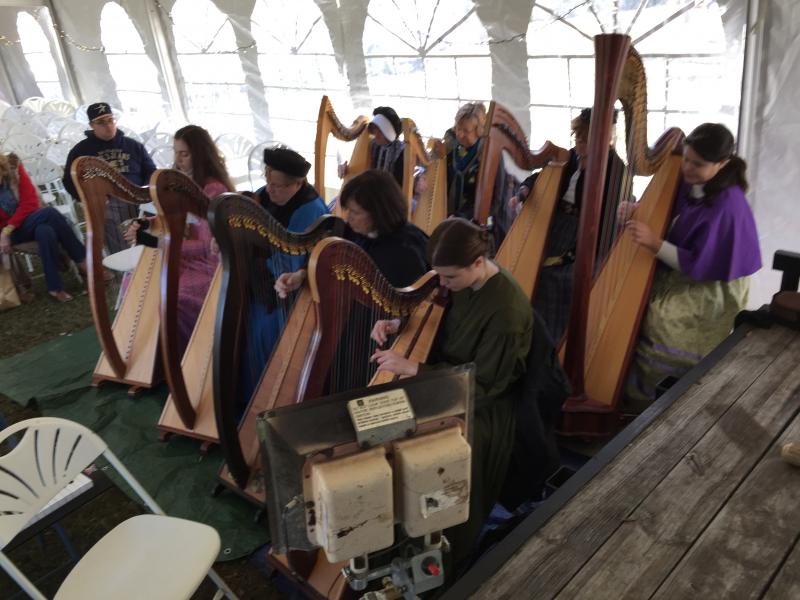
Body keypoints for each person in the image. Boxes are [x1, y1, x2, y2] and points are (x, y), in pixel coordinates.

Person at [370, 217, 533, 578]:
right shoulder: (465, 282)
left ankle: (443, 556)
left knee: (424, 454)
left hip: (480, 409)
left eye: (448, 277)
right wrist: (399, 325)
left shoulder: (505, 311)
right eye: (438, 275)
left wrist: (414, 369)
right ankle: (398, 527)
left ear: (479, 262)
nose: (441, 284)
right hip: (446, 383)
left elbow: (487, 385)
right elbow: (442, 316)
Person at [623, 123, 761, 412]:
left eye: (697, 164)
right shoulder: (690, 178)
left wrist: (654, 243)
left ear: (722, 164)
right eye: (686, 158)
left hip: (711, 284)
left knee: (658, 319)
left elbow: (700, 263)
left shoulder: (728, 206)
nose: (687, 168)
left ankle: (657, 404)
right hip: (684, 268)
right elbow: (678, 215)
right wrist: (638, 209)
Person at [124, 125, 234, 352]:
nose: (178, 159)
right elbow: (170, 218)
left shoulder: (213, 190)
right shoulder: (179, 183)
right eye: (175, 152)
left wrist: (160, 244)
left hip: (208, 265)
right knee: (131, 283)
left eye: (184, 154)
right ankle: (153, 355)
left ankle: (187, 355)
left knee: (175, 299)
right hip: (182, 258)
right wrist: (147, 224)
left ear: (201, 155)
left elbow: (207, 246)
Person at [523, 108, 629, 342]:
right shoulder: (570, 157)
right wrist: (525, 189)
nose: (579, 145)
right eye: (577, 138)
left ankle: (555, 338)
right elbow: (538, 176)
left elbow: (609, 222)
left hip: (587, 235)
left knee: (557, 278)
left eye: (584, 140)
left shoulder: (616, 168)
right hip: (556, 227)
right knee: (530, 263)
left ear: (603, 140)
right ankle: (533, 331)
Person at [239, 146, 329, 406]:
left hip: (293, 293)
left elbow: (302, 262)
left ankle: (263, 403)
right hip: (261, 286)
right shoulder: (263, 197)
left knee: (264, 335)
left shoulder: (310, 210)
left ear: (298, 184)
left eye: (278, 186)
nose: (270, 190)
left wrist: (268, 260)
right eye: (268, 182)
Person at [62, 102, 156, 255]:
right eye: (101, 122)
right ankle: (125, 258)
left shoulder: (134, 146)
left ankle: (150, 254)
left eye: (110, 120)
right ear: (92, 125)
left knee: (154, 209)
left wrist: (143, 192)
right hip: (107, 202)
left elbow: (151, 172)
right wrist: (87, 199)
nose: (108, 126)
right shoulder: (81, 151)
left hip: (138, 197)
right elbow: (68, 180)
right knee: (110, 213)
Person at [0, 153, 86, 302]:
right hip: (6, 235)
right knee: (50, 214)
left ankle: (54, 287)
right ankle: (84, 264)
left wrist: (8, 229)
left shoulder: (13, 167)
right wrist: (5, 232)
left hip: (27, 222)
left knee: (45, 231)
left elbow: (30, 202)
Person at [338, 106, 406, 186]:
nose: (375, 135)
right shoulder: (371, 144)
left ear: (388, 132)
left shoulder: (401, 151)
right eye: (373, 129)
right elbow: (352, 162)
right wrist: (345, 168)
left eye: (380, 131)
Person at [445, 102, 486, 220]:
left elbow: (486, 198)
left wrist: (460, 216)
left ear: (478, 131)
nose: (460, 134)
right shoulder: (452, 147)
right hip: (449, 215)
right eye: (458, 128)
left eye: (466, 131)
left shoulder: (486, 155)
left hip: (470, 220)